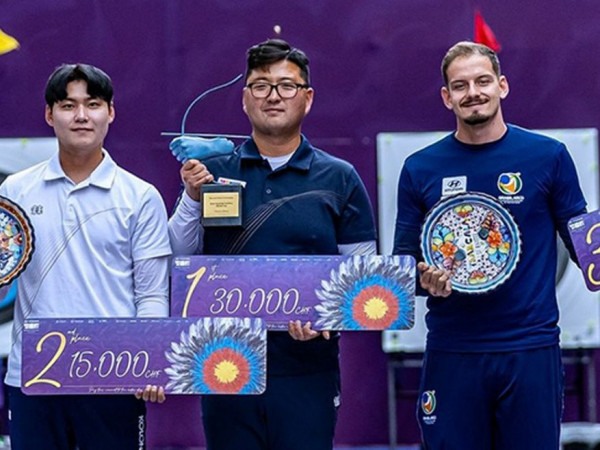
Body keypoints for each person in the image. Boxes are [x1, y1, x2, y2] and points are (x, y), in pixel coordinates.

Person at [168, 38, 377, 450]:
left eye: (287, 86)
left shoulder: (340, 177)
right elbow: (179, 257)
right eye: (261, 86)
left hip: (307, 369)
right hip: (224, 363)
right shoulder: (210, 172)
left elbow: (362, 274)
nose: (274, 97)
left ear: (308, 98)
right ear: (245, 99)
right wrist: (192, 198)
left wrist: (326, 319)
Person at [392, 41, 587, 450]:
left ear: (502, 86)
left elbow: (583, 239)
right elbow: (403, 267)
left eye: (482, 81)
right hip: (453, 349)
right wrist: (423, 278)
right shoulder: (419, 169)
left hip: (530, 348)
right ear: (447, 97)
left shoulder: (548, 156)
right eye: (460, 86)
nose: (473, 92)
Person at [0, 63, 171, 449]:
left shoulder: (140, 197)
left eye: (92, 104)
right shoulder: (15, 190)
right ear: (49, 114)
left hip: (114, 377)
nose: (80, 116)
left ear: (110, 112)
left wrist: (149, 359)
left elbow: (152, 293)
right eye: (67, 105)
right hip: (34, 378)